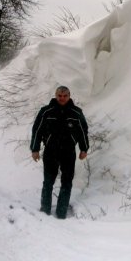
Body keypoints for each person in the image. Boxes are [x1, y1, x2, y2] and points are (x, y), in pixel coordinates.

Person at [30, 86, 89, 219]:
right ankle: (45, 210)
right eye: (59, 96)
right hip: (51, 152)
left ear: (69, 96)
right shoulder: (46, 111)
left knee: (67, 182)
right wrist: (35, 149)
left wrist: (84, 149)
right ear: (55, 96)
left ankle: (61, 212)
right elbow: (37, 130)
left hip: (68, 153)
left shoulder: (76, 113)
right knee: (48, 181)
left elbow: (83, 132)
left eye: (65, 96)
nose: (62, 98)